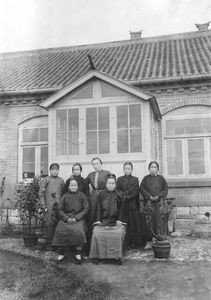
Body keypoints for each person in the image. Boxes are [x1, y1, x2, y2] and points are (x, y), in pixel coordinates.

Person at [89, 174, 127, 264]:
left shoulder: (120, 194)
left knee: (118, 234)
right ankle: (98, 256)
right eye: (109, 183)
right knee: (96, 233)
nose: (111, 185)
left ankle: (116, 256)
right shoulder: (101, 194)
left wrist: (119, 220)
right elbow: (98, 208)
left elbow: (122, 209)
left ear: (115, 184)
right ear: (106, 184)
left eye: (112, 183)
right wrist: (98, 220)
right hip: (104, 221)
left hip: (116, 222)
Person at [52, 178, 89, 263]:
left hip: (78, 219)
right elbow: (60, 209)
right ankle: (61, 253)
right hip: (66, 218)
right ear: (68, 187)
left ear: (78, 186)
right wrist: (66, 218)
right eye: (71, 185)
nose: (73, 187)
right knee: (60, 229)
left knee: (79, 230)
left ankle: (78, 253)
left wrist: (76, 218)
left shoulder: (82, 195)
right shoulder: (64, 196)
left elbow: (86, 209)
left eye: (75, 185)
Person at [140, 161, 168, 248]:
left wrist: (158, 196)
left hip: (158, 204)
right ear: (149, 169)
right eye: (151, 167)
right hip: (149, 204)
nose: (153, 169)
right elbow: (142, 188)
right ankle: (149, 240)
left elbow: (165, 189)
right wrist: (149, 196)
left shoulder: (161, 178)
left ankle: (159, 239)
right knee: (149, 220)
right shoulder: (145, 179)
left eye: (155, 167)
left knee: (158, 220)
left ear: (158, 169)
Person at [117, 161, 145, 248]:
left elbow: (136, 191)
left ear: (132, 170)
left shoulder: (135, 179)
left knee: (134, 222)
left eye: (129, 169)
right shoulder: (120, 179)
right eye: (125, 169)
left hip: (132, 203)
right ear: (123, 169)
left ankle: (135, 242)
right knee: (125, 222)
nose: (127, 170)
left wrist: (128, 197)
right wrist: (123, 196)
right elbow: (118, 190)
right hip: (123, 204)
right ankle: (126, 242)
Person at [38, 163, 65, 246]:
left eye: (56, 170)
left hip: (58, 205)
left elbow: (64, 193)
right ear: (50, 170)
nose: (55, 171)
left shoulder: (61, 180)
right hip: (48, 205)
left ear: (58, 170)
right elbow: (41, 193)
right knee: (48, 222)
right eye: (53, 170)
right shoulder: (46, 180)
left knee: (58, 221)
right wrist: (43, 204)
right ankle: (49, 241)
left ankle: (57, 242)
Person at [86, 158, 110, 236]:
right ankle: (93, 232)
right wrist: (73, 177)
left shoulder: (106, 173)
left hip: (104, 193)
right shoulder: (91, 174)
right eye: (94, 164)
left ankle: (103, 231)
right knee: (93, 211)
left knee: (103, 210)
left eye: (97, 163)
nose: (96, 166)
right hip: (94, 194)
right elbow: (84, 183)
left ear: (101, 164)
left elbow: (112, 182)